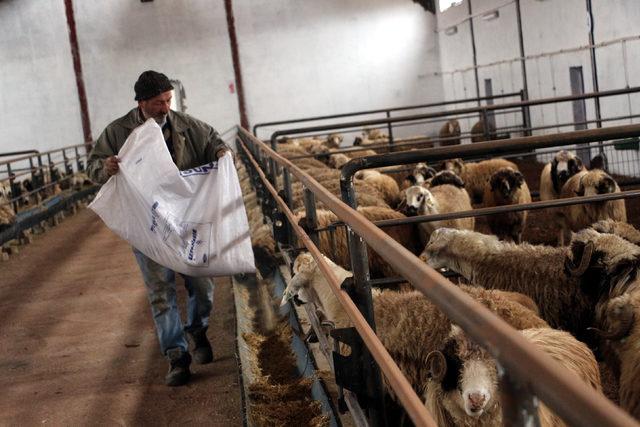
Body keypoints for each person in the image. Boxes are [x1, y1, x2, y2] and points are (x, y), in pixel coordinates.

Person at [87, 70, 231, 386]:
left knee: (202, 285)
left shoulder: (189, 127)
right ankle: (177, 357)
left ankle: (198, 329)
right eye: (157, 103)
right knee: (161, 292)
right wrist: (105, 167)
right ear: (141, 103)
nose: (165, 108)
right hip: (148, 225)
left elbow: (215, 143)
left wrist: (221, 154)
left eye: (168, 100)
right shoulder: (117, 132)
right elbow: (92, 167)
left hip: (189, 221)